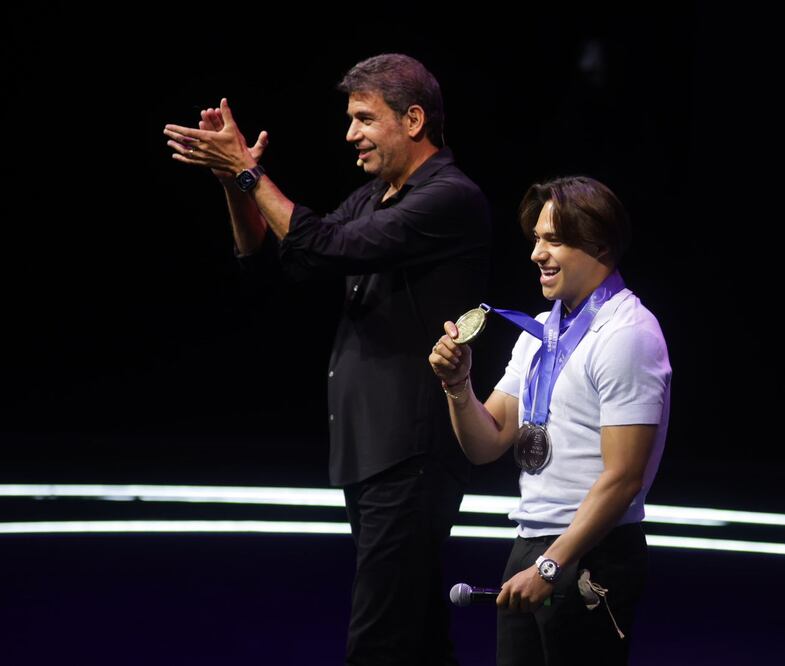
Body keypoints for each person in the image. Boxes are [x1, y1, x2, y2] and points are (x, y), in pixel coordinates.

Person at [164, 54, 491, 666]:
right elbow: (281, 260)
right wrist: (234, 183)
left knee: (377, 642)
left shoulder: (450, 198)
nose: (350, 135)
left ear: (413, 119)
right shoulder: (373, 197)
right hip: (374, 451)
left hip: (413, 451)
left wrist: (245, 174)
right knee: (414, 636)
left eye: (365, 119)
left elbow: (330, 244)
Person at [429, 176, 671, 665]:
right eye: (536, 239)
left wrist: (551, 564)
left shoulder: (628, 334)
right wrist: (458, 386)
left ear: (600, 244)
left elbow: (623, 478)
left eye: (554, 240)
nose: (536, 253)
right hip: (533, 544)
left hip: (592, 554)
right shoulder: (541, 332)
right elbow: (487, 441)